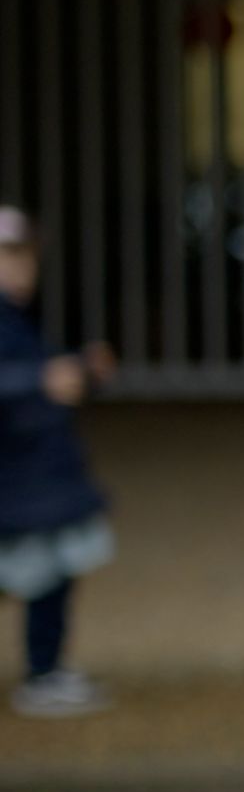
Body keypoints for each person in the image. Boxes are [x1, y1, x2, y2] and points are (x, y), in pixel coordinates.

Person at [0, 205, 116, 719]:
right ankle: (43, 675)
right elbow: (24, 380)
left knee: (49, 570)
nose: (21, 268)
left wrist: (78, 371)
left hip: (36, 481)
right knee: (39, 571)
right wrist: (41, 381)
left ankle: (45, 671)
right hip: (20, 485)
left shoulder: (16, 317)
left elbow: (35, 375)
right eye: (9, 257)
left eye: (25, 256)